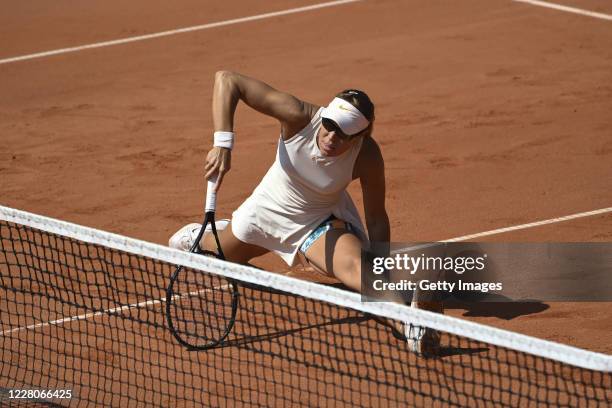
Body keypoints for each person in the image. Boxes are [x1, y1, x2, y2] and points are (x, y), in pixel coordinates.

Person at [169, 71, 442, 355]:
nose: (332, 136)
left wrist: (380, 275)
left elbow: (376, 217)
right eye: (329, 125)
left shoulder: (367, 155)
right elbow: (227, 80)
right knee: (218, 256)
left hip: (318, 221)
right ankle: (204, 238)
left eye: (344, 133)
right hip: (264, 212)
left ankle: (412, 327)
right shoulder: (299, 116)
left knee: (356, 270)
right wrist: (222, 144)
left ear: (360, 136)